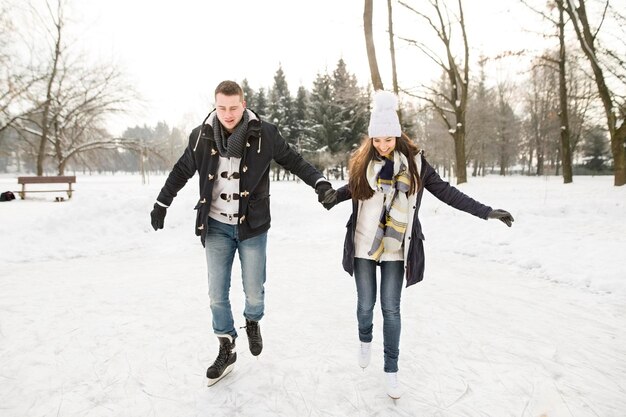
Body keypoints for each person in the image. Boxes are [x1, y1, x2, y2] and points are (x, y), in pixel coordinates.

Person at [320, 90, 514, 399]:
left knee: (391, 309)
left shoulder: (416, 166)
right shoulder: (362, 164)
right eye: (377, 140)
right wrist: (334, 196)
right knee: (365, 305)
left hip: (397, 247)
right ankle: (364, 338)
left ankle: (391, 370)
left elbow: (449, 193)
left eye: (388, 139)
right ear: (371, 139)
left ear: (398, 135)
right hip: (362, 246)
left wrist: (486, 212)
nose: (383, 146)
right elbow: (352, 189)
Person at [150, 80, 336, 386]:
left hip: (252, 226)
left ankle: (252, 321)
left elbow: (294, 161)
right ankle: (226, 345)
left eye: (233, 107)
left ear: (244, 103)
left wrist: (320, 183)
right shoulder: (201, 136)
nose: (227, 114)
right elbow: (181, 171)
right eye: (221, 107)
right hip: (216, 226)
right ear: (215, 105)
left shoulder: (265, 133)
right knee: (216, 294)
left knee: (253, 289)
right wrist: (162, 203)